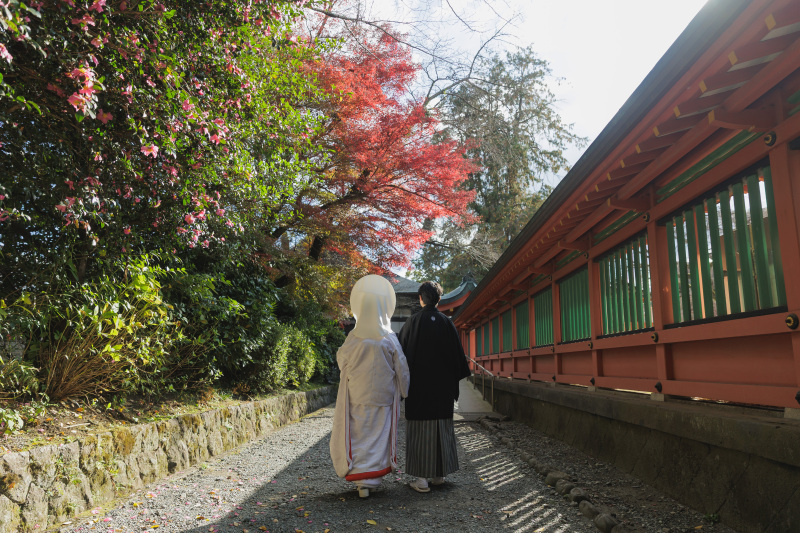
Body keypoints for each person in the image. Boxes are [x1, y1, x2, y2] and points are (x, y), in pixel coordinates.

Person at [330, 275, 410, 498]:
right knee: (378, 434)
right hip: (382, 394)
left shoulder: (354, 336)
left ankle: (361, 480)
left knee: (359, 434)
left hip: (357, 393)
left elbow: (341, 360)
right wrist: (405, 390)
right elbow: (401, 367)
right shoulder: (389, 337)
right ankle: (372, 478)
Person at [398, 280, 471, 493]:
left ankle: (421, 479)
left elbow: (401, 357)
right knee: (441, 427)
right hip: (443, 390)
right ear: (439, 299)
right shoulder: (447, 323)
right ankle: (440, 475)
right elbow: (459, 358)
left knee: (421, 430)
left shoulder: (413, 322)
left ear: (421, 298)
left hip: (419, 389)